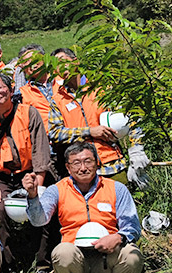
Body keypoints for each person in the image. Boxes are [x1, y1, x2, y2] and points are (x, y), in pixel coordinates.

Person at [23, 142, 144, 273]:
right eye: (76, 163)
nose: (83, 168)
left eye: (88, 161)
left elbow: (132, 226)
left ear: (97, 163)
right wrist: (33, 196)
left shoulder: (116, 188)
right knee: (62, 252)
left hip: (108, 258)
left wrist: (118, 238)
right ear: (68, 167)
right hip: (76, 259)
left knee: (132, 255)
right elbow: (39, 220)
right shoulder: (57, 189)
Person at [0, 72, 51, 271]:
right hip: (2, 177)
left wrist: (37, 188)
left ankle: (43, 264)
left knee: (43, 208)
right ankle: (5, 265)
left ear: (11, 89)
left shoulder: (29, 113)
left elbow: (40, 151)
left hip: (31, 173)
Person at [48, 50, 149, 184]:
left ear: (76, 61)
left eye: (63, 60)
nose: (60, 67)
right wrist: (89, 131)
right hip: (82, 171)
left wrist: (137, 150)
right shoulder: (58, 100)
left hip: (112, 165)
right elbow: (55, 133)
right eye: (56, 65)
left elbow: (131, 117)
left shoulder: (101, 88)